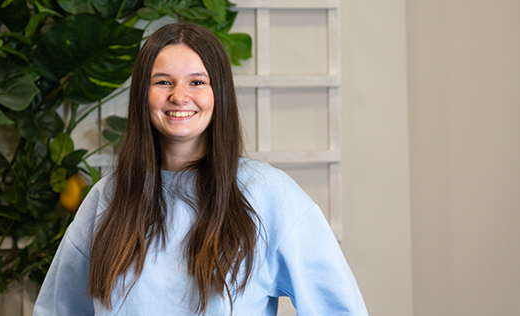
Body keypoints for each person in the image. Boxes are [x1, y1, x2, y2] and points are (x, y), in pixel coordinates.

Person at [33, 23, 367, 316]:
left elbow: (340, 309)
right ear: (142, 95)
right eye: (163, 82)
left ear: (218, 93)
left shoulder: (270, 195)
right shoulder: (107, 197)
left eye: (196, 82)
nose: (179, 97)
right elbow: (57, 309)